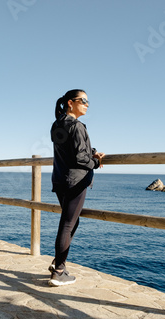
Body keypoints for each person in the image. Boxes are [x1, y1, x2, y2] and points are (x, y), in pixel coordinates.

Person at [48, 89, 105, 287]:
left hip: (60, 179)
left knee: (71, 222)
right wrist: (96, 163)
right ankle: (59, 271)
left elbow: (72, 148)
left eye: (88, 101)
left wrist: (92, 151)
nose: (87, 104)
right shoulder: (77, 126)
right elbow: (80, 158)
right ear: (70, 103)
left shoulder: (57, 124)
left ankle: (58, 262)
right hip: (75, 181)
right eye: (84, 100)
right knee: (67, 224)